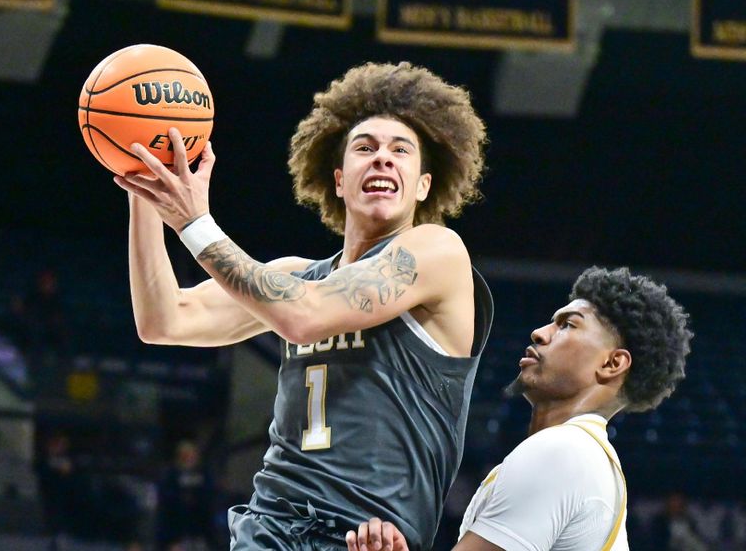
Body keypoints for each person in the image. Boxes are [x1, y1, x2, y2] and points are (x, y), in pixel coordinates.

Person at [114, 61, 493, 550]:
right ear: (337, 180)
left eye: (401, 151)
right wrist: (143, 184)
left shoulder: (437, 252)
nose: (382, 159)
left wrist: (195, 223)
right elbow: (164, 320)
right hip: (269, 527)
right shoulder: (298, 275)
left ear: (423, 185)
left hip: (365, 538)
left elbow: (303, 316)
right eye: (365, 148)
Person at [345, 266, 693, 551]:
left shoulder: (563, 453)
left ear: (612, 363)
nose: (540, 333)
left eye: (567, 325)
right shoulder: (585, 456)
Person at [155, 440, 215, 550]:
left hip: (199, 532)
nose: (189, 459)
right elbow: (166, 508)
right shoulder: (171, 477)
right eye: (185, 456)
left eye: (192, 455)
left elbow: (209, 502)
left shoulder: (204, 475)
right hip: (176, 531)